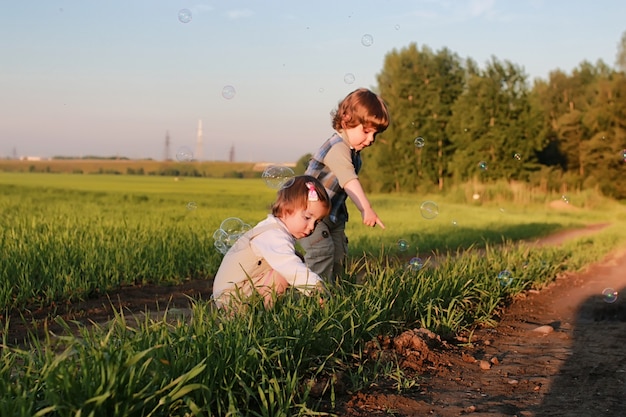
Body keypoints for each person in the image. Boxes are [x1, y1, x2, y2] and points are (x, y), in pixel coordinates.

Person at [299, 88, 390, 282]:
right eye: (366, 131)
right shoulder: (338, 148)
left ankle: (335, 297)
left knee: (338, 257)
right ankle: (310, 301)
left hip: (333, 216)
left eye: (375, 134)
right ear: (346, 120)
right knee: (321, 255)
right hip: (309, 215)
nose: (371, 139)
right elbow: (349, 180)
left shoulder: (353, 152)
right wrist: (366, 208)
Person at [212, 175, 331, 310]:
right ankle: (266, 314)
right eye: (307, 217)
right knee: (286, 268)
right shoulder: (274, 235)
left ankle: (265, 311)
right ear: (286, 209)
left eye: (317, 222)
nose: (311, 227)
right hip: (232, 298)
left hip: (235, 292)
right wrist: (316, 289)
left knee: (295, 258)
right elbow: (290, 266)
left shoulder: (274, 228)